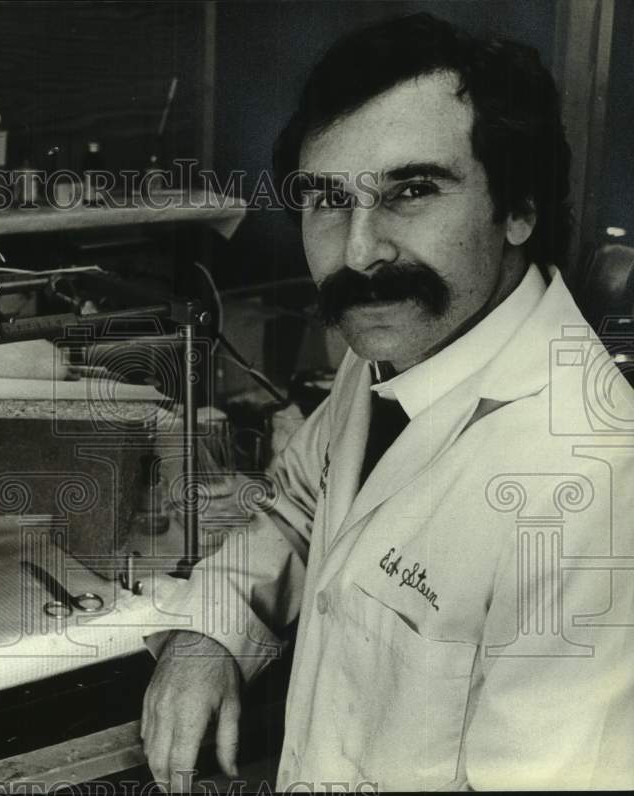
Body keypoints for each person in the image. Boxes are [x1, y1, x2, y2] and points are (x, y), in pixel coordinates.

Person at [140, 12, 634, 792]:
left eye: (411, 190)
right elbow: (298, 505)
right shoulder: (398, 341)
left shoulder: (597, 485)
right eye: (328, 199)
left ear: (520, 209)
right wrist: (212, 631)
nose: (359, 250)